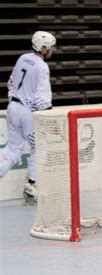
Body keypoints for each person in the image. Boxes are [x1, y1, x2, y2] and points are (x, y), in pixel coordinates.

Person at [0, 31, 56, 205]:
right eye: (50, 47)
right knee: (39, 147)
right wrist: (48, 115)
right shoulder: (42, 67)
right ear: (43, 48)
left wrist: (14, 99)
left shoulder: (22, 58)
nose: (52, 50)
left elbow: (11, 82)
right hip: (27, 112)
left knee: (12, 148)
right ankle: (31, 185)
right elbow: (42, 97)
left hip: (13, 107)